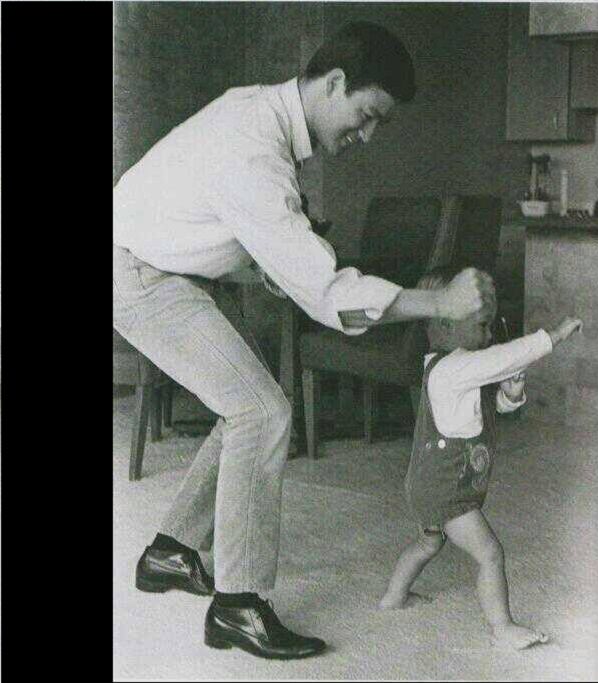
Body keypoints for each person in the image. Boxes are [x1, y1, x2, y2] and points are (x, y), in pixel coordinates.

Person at [113, 21, 492, 661]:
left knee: (253, 404)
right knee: (261, 412)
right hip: (137, 271)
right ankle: (238, 606)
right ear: (335, 83)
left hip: (155, 260)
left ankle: (171, 553)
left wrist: (265, 260)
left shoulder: (261, 116)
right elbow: (324, 292)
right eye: (367, 115)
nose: (367, 136)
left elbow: (212, 211)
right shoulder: (253, 144)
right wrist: (440, 301)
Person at [378, 266, 583, 651]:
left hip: (430, 484)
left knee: (428, 544)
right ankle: (502, 626)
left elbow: (493, 410)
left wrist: (512, 392)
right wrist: (551, 338)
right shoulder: (453, 369)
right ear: (447, 324)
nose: (489, 336)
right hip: (445, 490)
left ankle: (394, 596)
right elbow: (503, 358)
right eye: (483, 326)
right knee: (490, 554)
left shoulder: (459, 369)